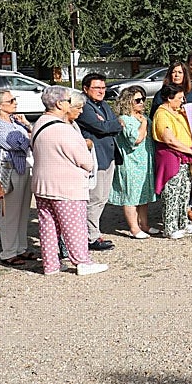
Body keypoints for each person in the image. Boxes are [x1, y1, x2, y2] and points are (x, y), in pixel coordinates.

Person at [31, 87, 107, 276]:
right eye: (67, 100)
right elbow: (85, 160)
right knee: (74, 226)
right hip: (66, 186)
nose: (69, 103)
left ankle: (51, 265)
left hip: (42, 184)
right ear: (59, 104)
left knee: (48, 226)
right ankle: (82, 262)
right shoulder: (64, 130)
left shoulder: (39, 123)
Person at [0, 89, 36, 265]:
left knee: (23, 211)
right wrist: (28, 137)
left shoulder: (15, 121)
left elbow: (27, 141)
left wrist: (27, 128)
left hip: (23, 167)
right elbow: (15, 144)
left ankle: (21, 247)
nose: (15, 103)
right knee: (9, 213)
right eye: (11, 100)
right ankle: (9, 251)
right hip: (7, 170)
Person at [76, 72, 122, 253]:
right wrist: (110, 124)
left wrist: (111, 124)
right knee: (95, 198)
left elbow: (113, 123)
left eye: (103, 88)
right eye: (97, 88)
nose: (101, 91)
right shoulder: (85, 107)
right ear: (86, 89)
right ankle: (90, 236)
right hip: (95, 156)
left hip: (108, 155)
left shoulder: (103, 105)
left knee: (102, 197)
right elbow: (100, 127)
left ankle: (94, 231)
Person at [108, 85, 157, 239]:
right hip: (131, 163)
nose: (142, 102)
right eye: (137, 100)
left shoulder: (143, 117)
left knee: (143, 195)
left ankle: (144, 224)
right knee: (131, 196)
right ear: (128, 102)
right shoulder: (125, 119)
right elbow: (135, 139)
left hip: (144, 163)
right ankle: (134, 228)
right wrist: (143, 124)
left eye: (143, 99)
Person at [153, 84, 192, 240]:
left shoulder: (177, 112)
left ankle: (182, 222)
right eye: (179, 98)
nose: (182, 101)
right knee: (172, 192)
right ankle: (170, 226)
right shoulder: (162, 114)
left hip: (184, 158)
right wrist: (190, 151)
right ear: (169, 98)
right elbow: (169, 139)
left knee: (184, 191)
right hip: (171, 157)